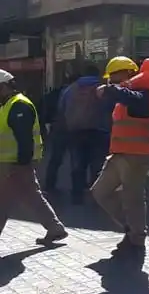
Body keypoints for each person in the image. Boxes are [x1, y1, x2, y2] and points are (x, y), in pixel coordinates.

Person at [90, 57, 149, 254]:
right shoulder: (124, 96)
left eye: (114, 75)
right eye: (109, 77)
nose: (111, 79)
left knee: (134, 198)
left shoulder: (143, 95)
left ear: (128, 73)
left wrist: (110, 89)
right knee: (100, 192)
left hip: (136, 156)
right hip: (119, 154)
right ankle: (131, 228)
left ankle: (137, 238)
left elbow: (131, 98)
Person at [0, 69, 68, 246]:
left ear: (4, 87)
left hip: (14, 162)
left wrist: (21, 164)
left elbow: (24, 138)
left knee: (3, 200)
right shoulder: (8, 104)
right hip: (13, 161)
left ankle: (55, 228)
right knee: (31, 195)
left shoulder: (19, 106)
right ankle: (55, 228)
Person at [60, 63, 112, 204]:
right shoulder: (103, 89)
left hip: (76, 132)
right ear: (97, 74)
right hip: (99, 132)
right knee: (97, 165)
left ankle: (76, 196)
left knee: (77, 165)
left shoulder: (70, 89)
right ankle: (97, 196)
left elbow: (62, 108)